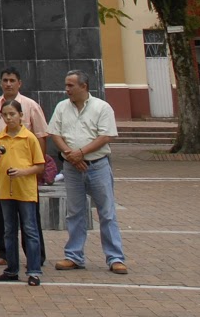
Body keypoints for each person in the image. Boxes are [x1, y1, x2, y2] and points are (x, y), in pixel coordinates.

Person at [47, 69, 127, 275]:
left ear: (84, 86)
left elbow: (106, 136)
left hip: (97, 165)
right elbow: (54, 133)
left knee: (106, 212)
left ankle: (115, 257)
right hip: (71, 168)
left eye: (70, 86)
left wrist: (80, 153)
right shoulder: (62, 108)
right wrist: (70, 155)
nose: (67, 90)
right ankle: (74, 256)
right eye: (66, 85)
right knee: (75, 212)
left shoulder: (102, 107)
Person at [0, 66, 50, 266]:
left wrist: (39, 166)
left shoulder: (30, 105)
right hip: (2, 170)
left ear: (19, 83)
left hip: (26, 172)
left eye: (12, 80)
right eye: (5, 80)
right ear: (1, 83)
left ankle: (36, 257)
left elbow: (41, 136)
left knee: (30, 217)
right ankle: (5, 254)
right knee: (4, 213)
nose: (8, 84)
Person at [0, 99, 46, 286]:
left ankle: (34, 270)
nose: (9, 118)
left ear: (21, 115)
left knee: (30, 230)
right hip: (6, 189)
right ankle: (11, 269)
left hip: (25, 190)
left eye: (12, 114)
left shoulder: (29, 138)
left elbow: (39, 166)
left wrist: (22, 172)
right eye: (5, 115)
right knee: (9, 230)